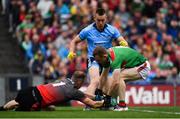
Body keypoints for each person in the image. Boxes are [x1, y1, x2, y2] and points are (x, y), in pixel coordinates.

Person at [67, 8, 128, 104]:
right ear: (94, 18)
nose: (100, 22)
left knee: (109, 86)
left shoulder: (112, 30)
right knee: (95, 81)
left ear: (106, 18)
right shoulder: (87, 30)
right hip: (93, 59)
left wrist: (123, 42)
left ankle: (107, 103)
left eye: (102, 20)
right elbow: (74, 41)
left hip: (107, 60)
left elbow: (121, 39)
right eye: (98, 20)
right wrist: (71, 52)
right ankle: (88, 104)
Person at [0, 71, 103, 111]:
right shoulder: (74, 91)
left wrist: (96, 97)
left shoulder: (66, 80)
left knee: (16, 102)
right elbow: (93, 105)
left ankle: (3, 108)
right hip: (35, 100)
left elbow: (83, 94)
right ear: (80, 82)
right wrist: (106, 102)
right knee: (19, 109)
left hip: (31, 89)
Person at [93, 46, 151, 111]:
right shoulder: (107, 56)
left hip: (143, 66)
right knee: (114, 80)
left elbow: (116, 82)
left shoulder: (115, 58)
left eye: (99, 60)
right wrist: (99, 90)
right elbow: (103, 76)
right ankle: (113, 103)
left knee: (119, 78)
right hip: (132, 66)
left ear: (104, 56)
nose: (98, 62)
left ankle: (122, 105)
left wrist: (108, 96)